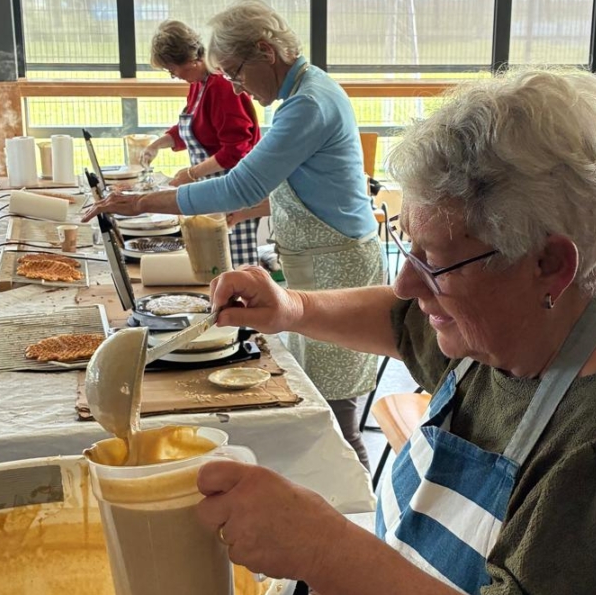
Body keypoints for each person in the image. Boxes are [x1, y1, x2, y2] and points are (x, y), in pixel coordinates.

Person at [193, 69, 596, 595]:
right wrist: (294, 308)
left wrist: (324, 547)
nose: (406, 283)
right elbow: (403, 320)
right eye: (406, 246)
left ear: (550, 263)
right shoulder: (521, 317)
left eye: (434, 262)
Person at [84, 1, 384, 474]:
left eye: (236, 72)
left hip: (337, 267)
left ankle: (360, 509)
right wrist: (248, 211)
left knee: (334, 419)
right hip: (321, 261)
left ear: (266, 51)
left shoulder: (308, 104)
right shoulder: (304, 93)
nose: (237, 86)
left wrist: (140, 202)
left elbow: (240, 182)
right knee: (317, 408)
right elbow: (309, 188)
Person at [138, 19, 263, 268]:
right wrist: (157, 144)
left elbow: (236, 150)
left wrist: (192, 173)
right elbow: (193, 127)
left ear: (191, 60)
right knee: (214, 263)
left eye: (173, 69)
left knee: (235, 266)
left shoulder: (222, 86)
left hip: (235, 188)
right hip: (214, 189)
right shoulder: (199, 84)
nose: (174, 76)